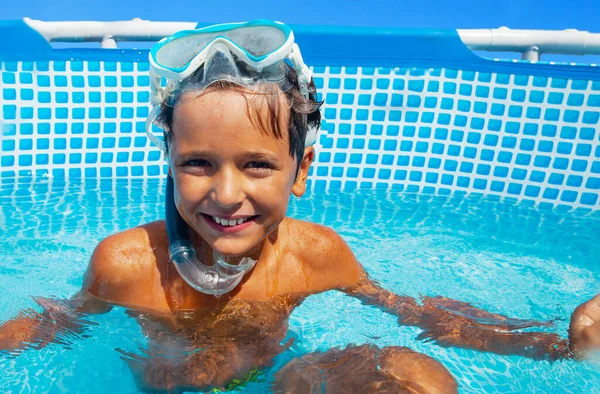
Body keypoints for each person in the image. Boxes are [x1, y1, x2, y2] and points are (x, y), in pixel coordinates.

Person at [1, 20, 599, 393]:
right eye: (198, 163)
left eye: (257, 165)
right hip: (165, 387)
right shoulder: (126, 264)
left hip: (279, 384)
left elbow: (417, 314)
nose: (227, 193)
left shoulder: (314, 258)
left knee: (409, 375)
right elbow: (58, 324)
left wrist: (557, 346)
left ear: (300, 172)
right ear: (170, 163)